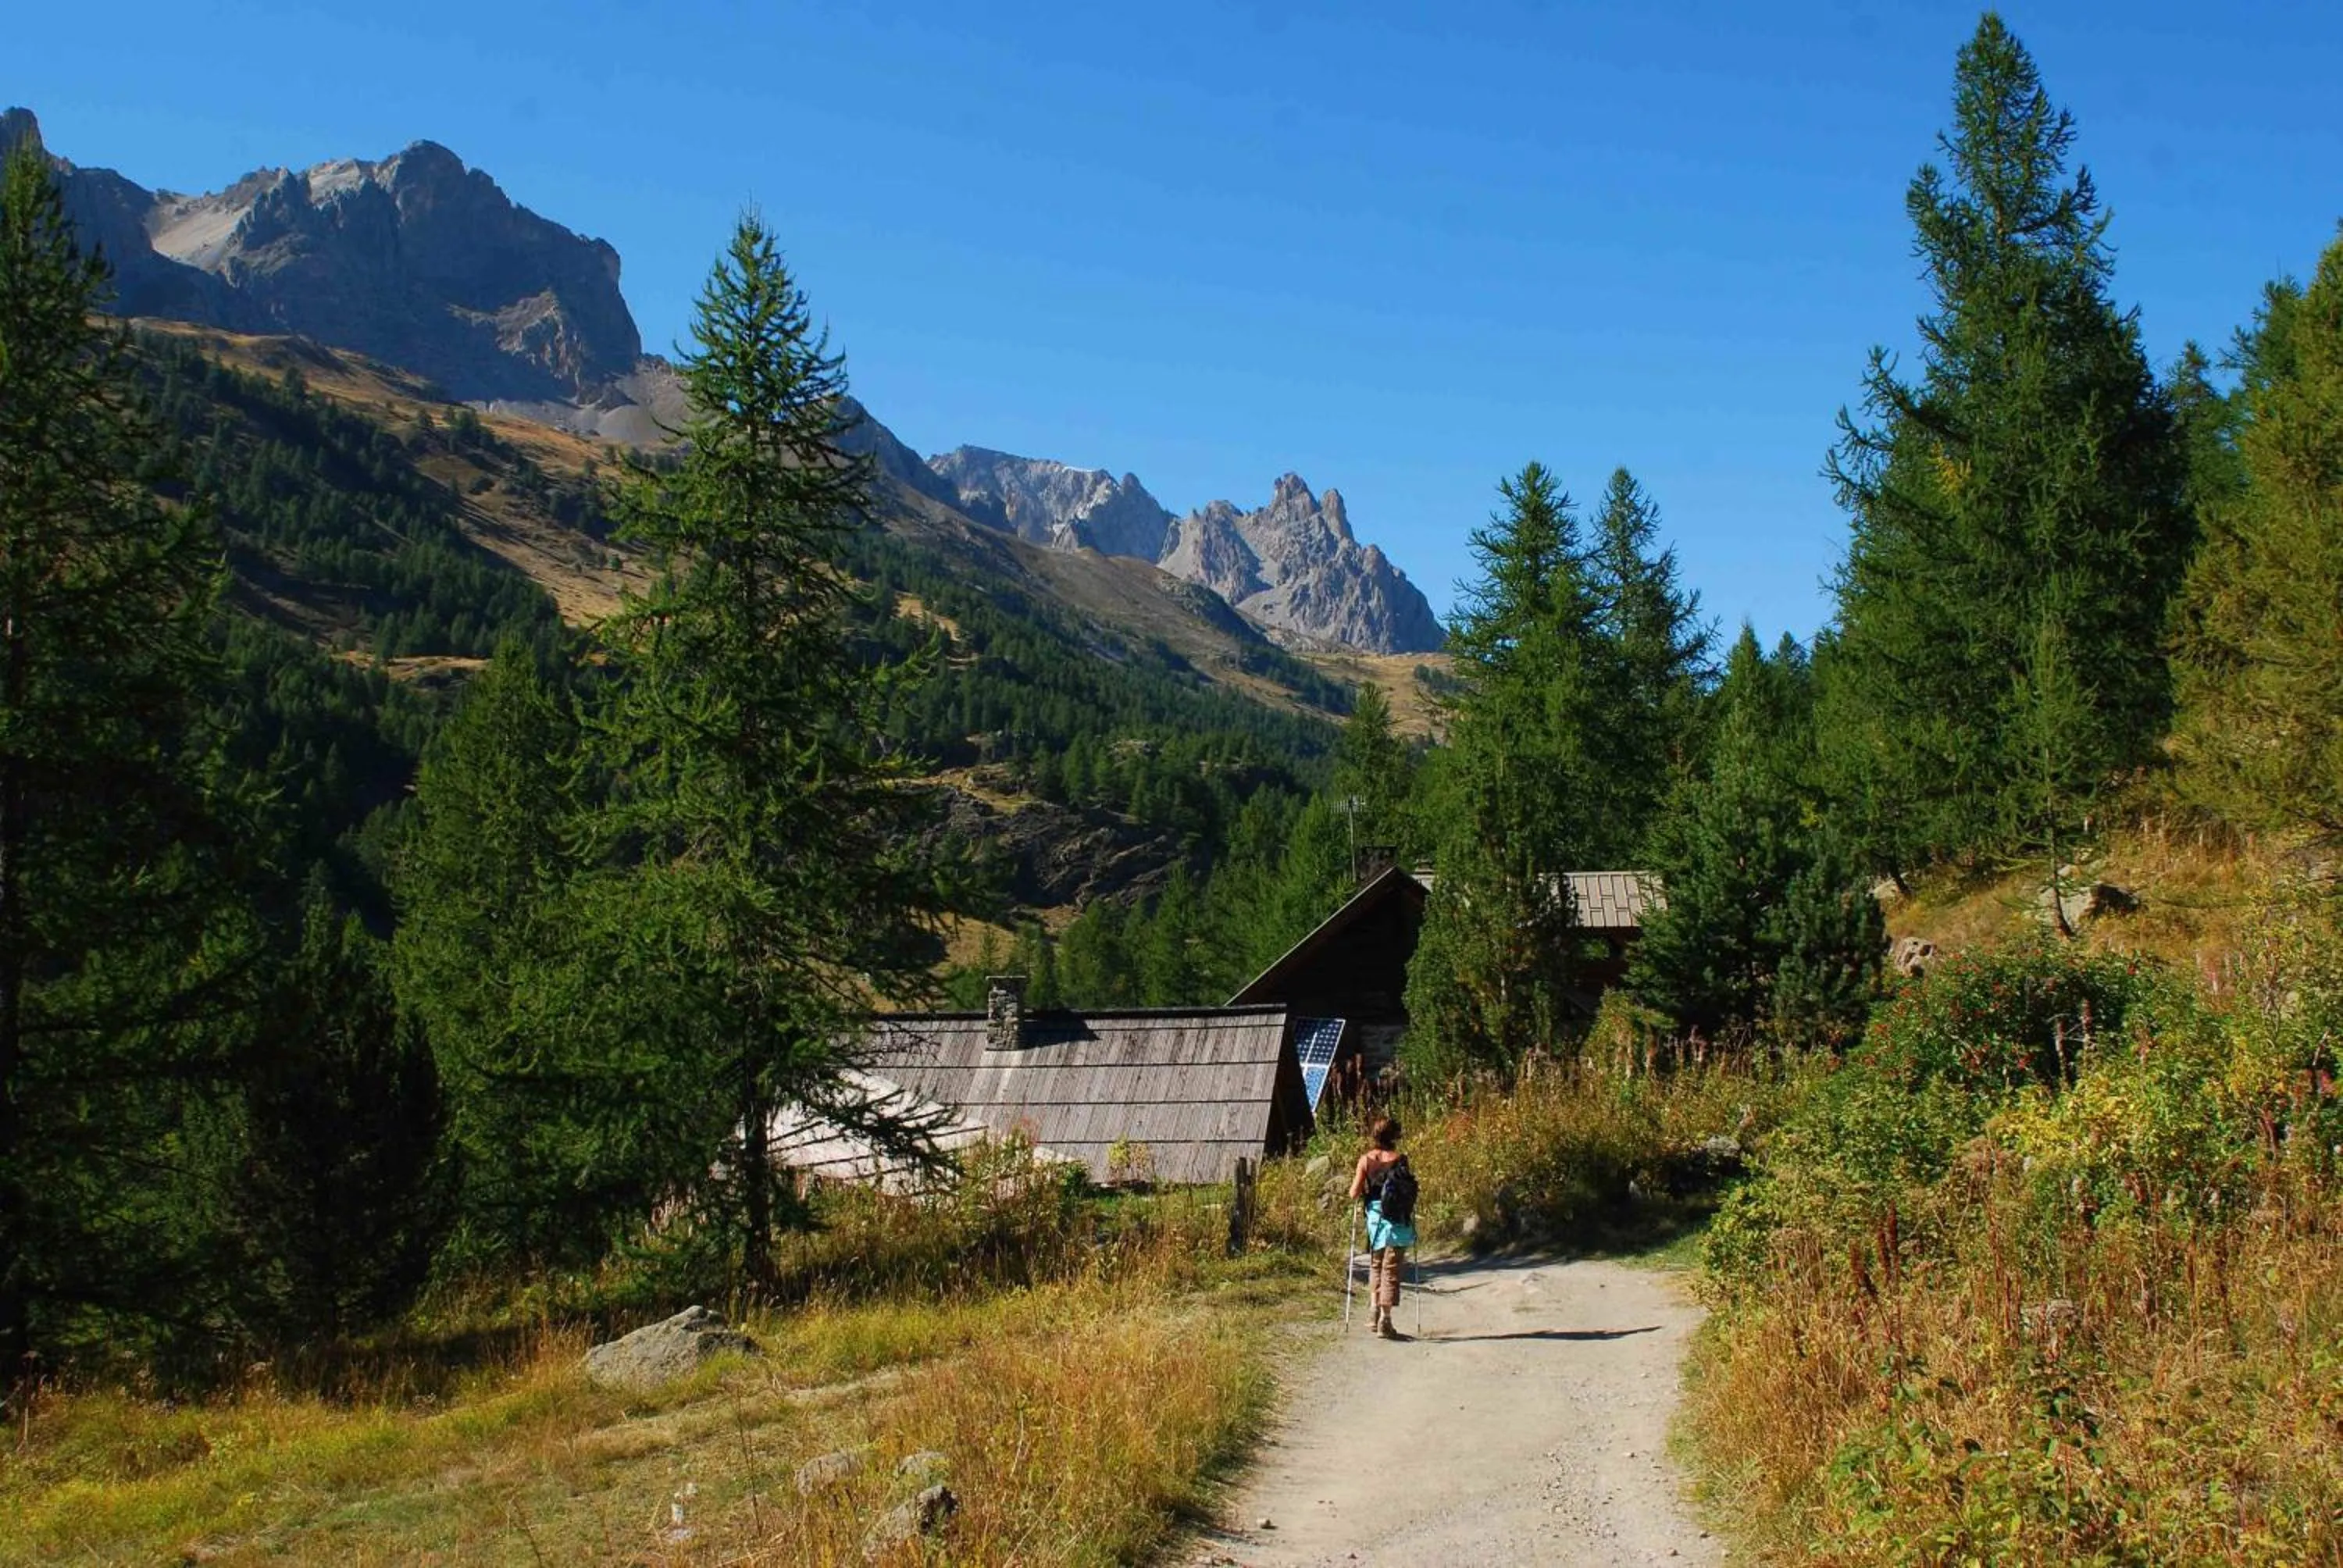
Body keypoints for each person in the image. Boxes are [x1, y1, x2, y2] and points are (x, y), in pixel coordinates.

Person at [1349, 1115, 1416, 1339]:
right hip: (1397, 1220)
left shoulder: (1365, 1160)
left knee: (1376, 1265)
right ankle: (1385, 1320)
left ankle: (1373, 1310)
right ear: (1394, 1136)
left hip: (1376, 1220)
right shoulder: (1401, 1160)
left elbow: (1354, 1193)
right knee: (1392, 1269)